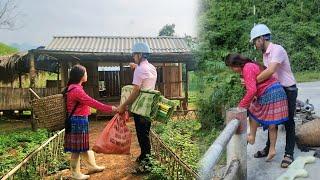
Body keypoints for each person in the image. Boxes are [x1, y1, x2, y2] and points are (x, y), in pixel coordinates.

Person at [225, 53, 289, 161]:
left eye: (231, 67)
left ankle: (251, 137)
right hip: (278, 90)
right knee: (272, 123)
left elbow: (252, 90)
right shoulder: (252, 64)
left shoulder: (246, 68)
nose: (232, 70)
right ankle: (272, 149)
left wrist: (240, 107)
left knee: (252, 109)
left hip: (269, 92)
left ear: (235, 64)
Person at [251, 24, 298, 168]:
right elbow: (267, 76)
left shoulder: (277, 50)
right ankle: (268, 149)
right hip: (275, 89)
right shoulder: (265, 54)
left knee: (288, 121)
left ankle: (288, 153)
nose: (254, 44)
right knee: (272, 120)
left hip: (288, 89)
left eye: (255, 41)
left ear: (261, 38)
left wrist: (252, 82)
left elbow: (270, 71)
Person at [64, 64, 117, 180]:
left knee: (83, 147)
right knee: (76, 149)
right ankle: (75, 173)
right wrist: (110, 108)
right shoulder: (76, 90)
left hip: (79, 120)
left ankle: (92, 166)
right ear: (81, 76)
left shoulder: (73, 87)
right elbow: (92, 102)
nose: (87, 74)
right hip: (78, 121)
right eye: (85, 73)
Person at [118, 42, 157, 174]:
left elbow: (136, 91)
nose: (133, 57)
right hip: (149, 106)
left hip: (140, 108)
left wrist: (124, 105)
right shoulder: (152, 67)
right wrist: (136, 67)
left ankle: (147, 165)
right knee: (145, 133)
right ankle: (143, 156)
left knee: (142, 136)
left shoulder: (140, 69)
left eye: (134, 55)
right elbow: (146, 81)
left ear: (140, 55)